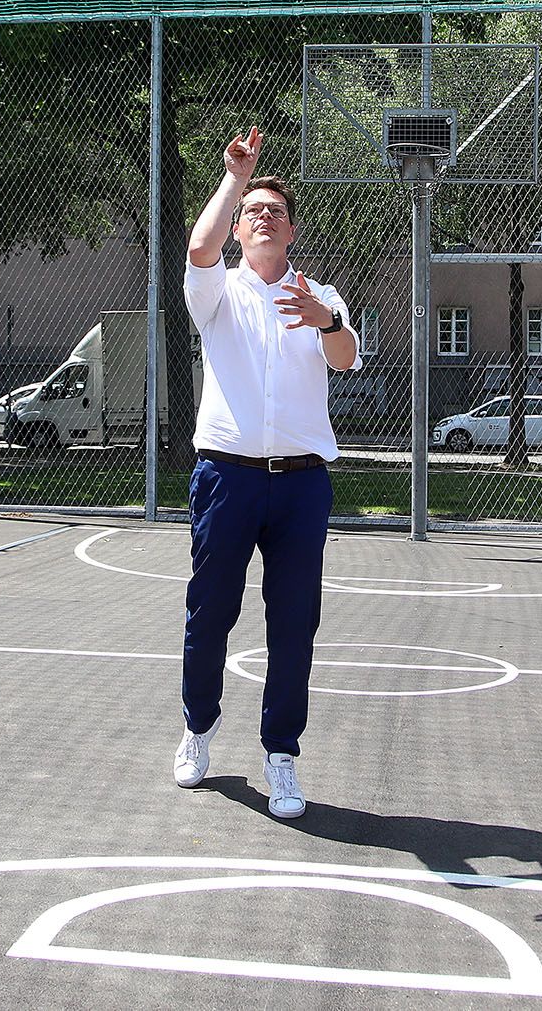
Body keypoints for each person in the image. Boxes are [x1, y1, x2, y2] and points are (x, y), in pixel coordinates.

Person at [173, 126, 361, 820]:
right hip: (228, 477)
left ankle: (280, 753)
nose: (262, 217)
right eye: (253, 211)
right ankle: (198, 728)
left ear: (291, 231)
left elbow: (344, 359)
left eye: (273, 211)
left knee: (293, 623)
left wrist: (326, 320)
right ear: (241, 227)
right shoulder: (217, 291)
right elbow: (197, 247)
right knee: (210, 613)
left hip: (302, 483)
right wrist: (234, 175)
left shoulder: (322, 294)